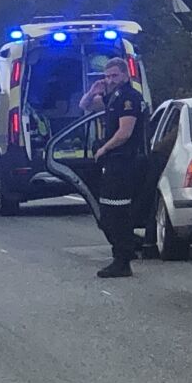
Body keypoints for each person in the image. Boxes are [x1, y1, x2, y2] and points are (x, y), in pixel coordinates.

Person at [79, 57, 147, 278]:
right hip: (114, 161)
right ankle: (124, 251)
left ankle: (123, 259)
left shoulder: (129, 99)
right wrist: (93, 90)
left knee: (115, 212)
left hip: (123, 160)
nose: (110, 80)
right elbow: (85, 106)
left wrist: (104, 149)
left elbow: (125, 132)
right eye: (107, 76)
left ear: (125, 75)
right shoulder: (112, 98)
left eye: (115, 75)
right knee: (109, 212)